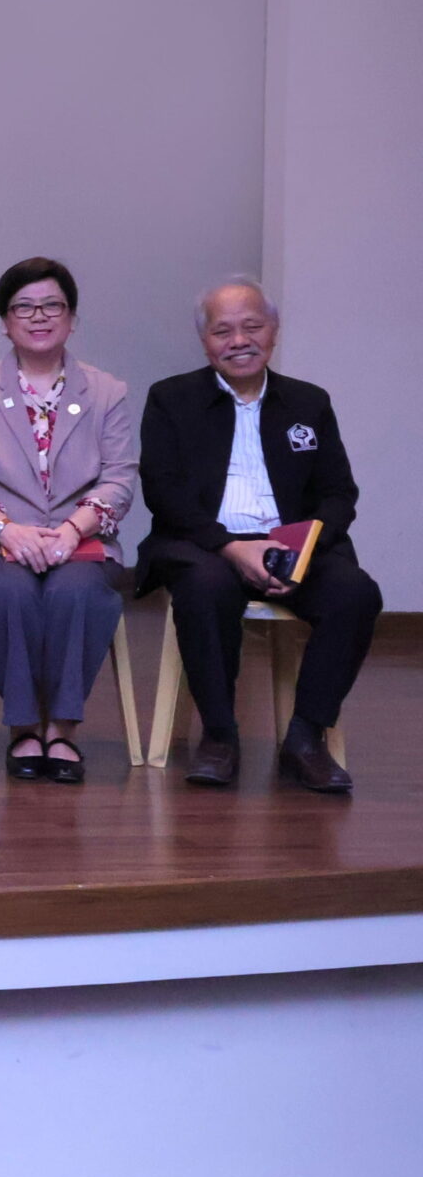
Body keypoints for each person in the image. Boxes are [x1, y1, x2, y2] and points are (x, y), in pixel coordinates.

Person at [139, 279, 376, 792]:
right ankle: (220, 736)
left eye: (252, 327)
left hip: (293, 546)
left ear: (274, 330)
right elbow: (163, 491)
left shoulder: (309, 402)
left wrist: (300, 549)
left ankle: (306, 738)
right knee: (205, 587)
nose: (239, 341)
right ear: (204, 340)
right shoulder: (170, 399)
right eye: (223, 331)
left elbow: (339, 493)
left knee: (355, 593)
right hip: (207, 544)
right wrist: (230, 546)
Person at [0, 257, 136, 784]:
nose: (38, 316)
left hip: (79, 538)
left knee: (77, 592)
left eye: (52, 306)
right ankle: (24, 726)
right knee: (10, 591)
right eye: (23, 307)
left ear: (72, 318)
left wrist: (73, 530)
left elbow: (120, 479)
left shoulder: (106, 391)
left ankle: (63, 727)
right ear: (5, 321)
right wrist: (6, 529)